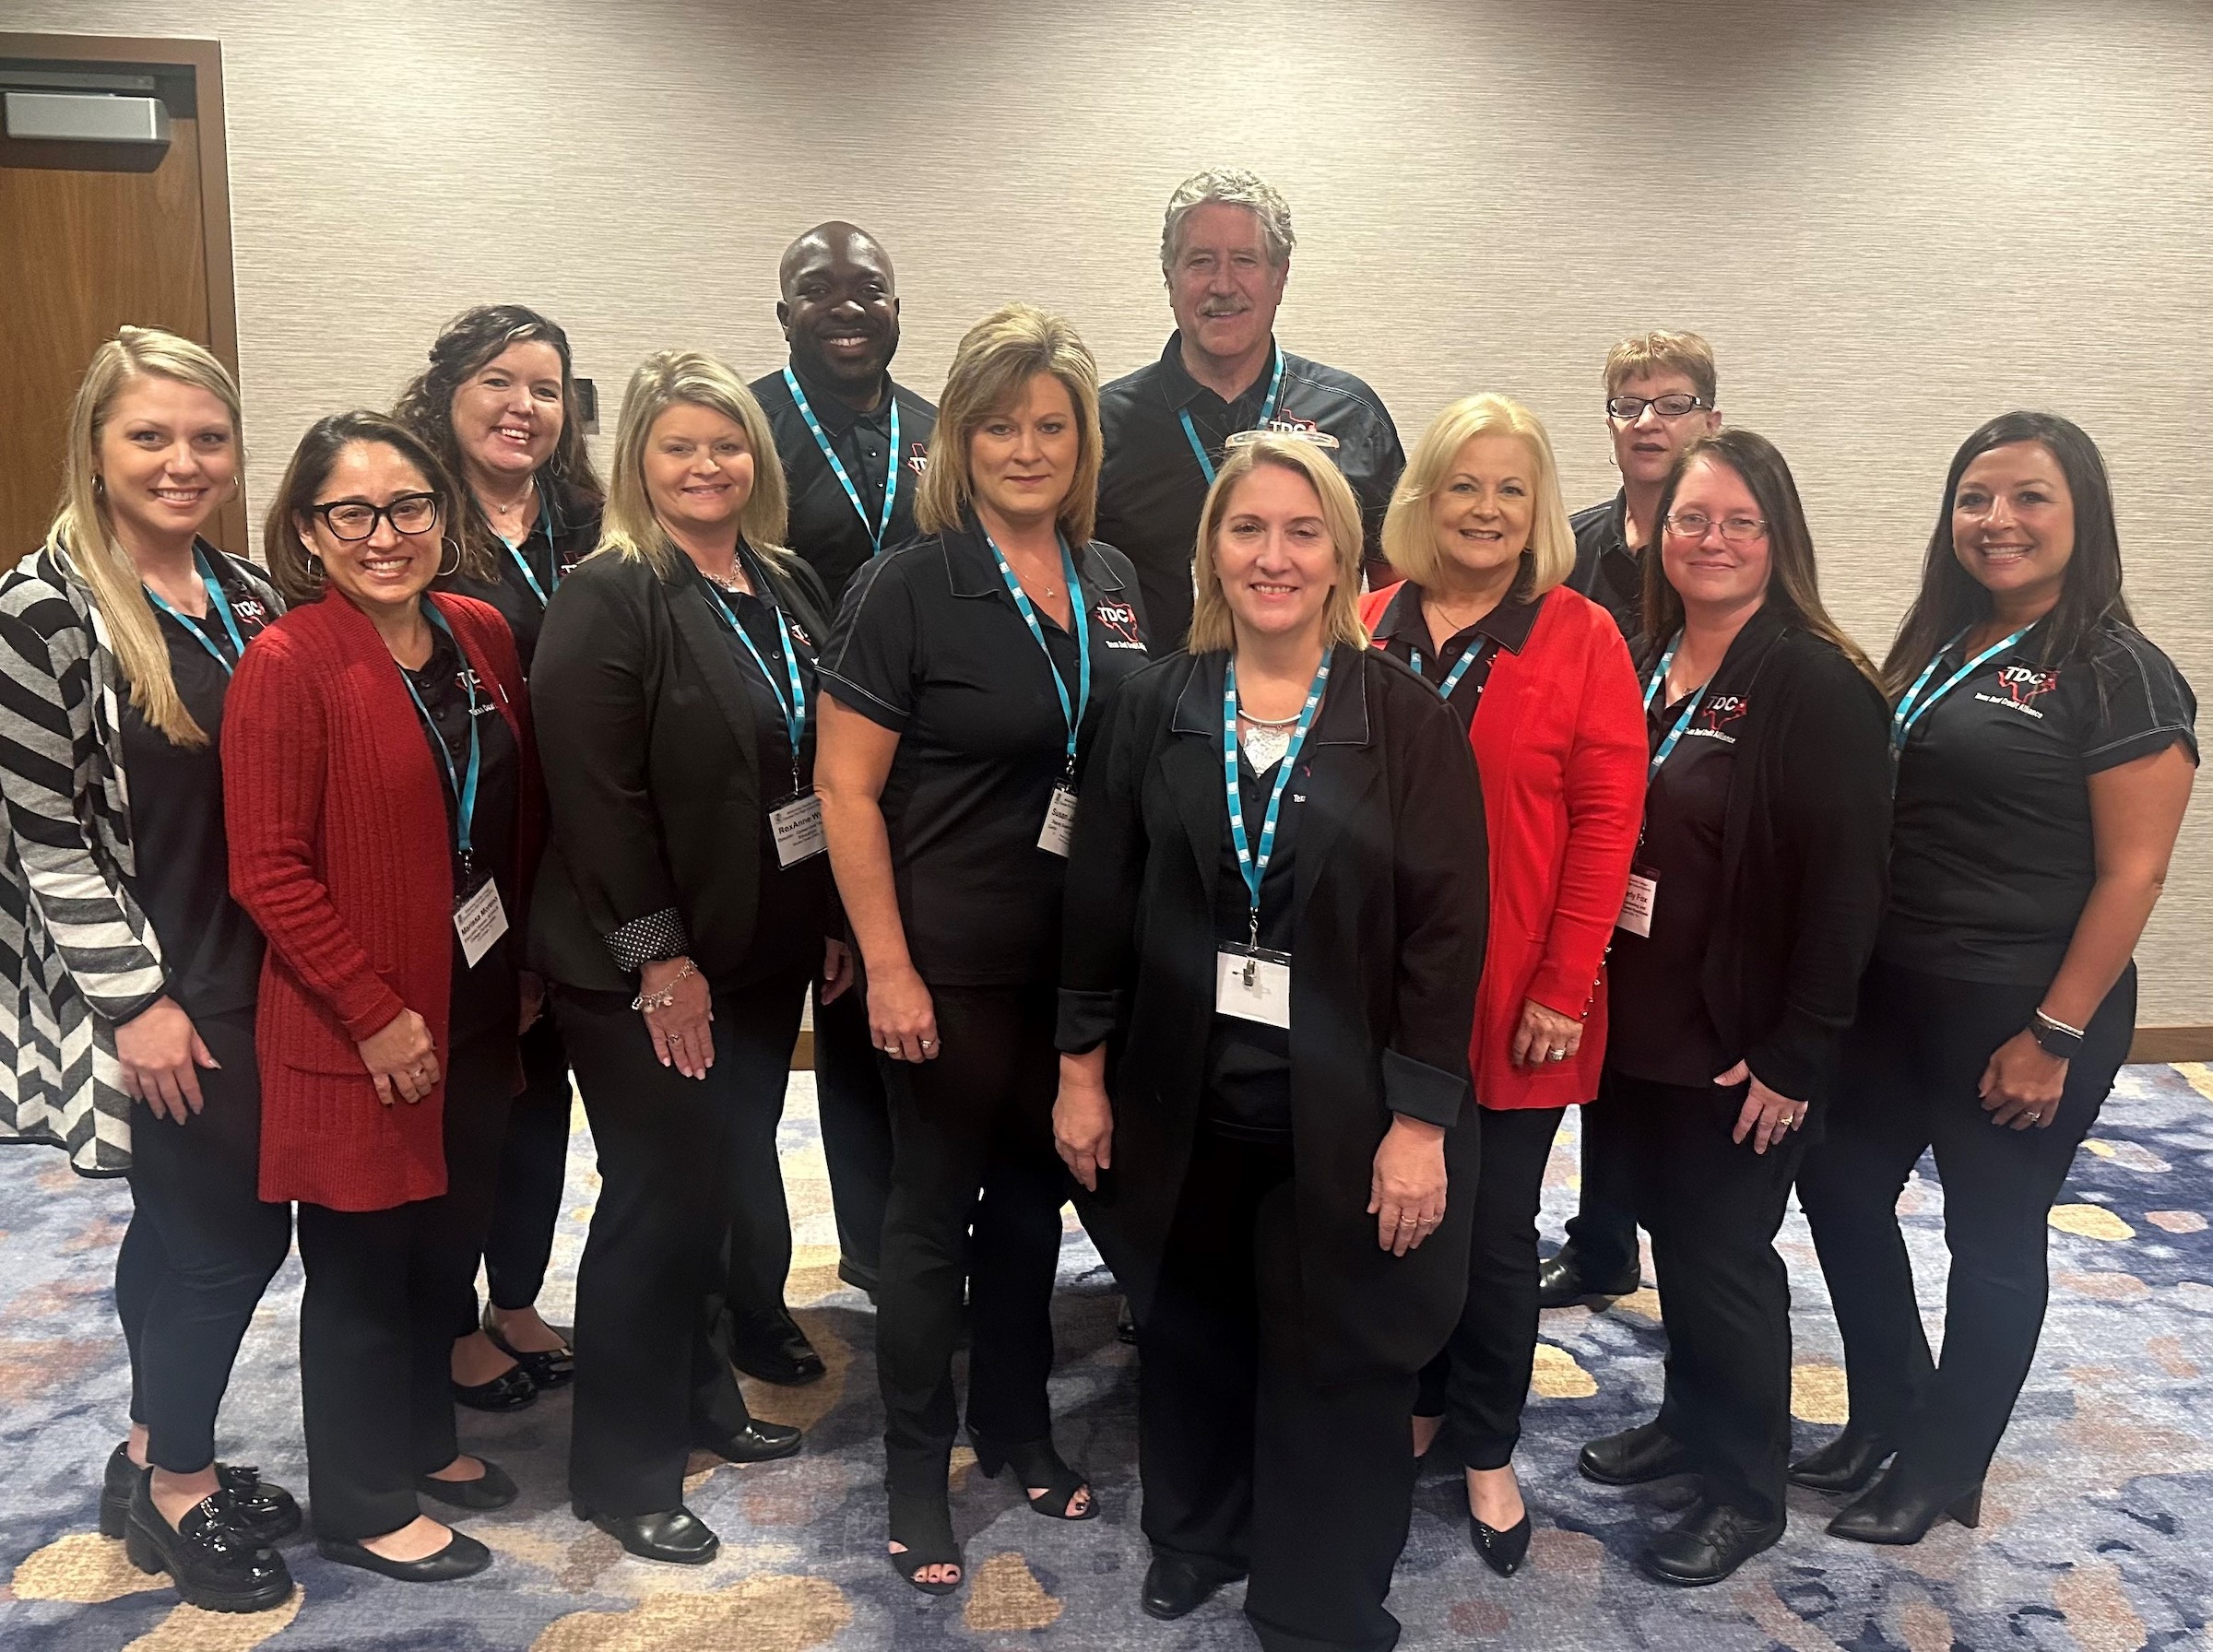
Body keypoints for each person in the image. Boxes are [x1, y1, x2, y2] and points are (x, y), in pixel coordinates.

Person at [1053, 433, 1485, 1649]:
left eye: (1304, 532)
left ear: (1345, 559)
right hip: (1182, 1093)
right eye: (1248, 530)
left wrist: (1418, 1121)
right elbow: (1098, 899)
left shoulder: (1402, 722)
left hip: (1343, 1114)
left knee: (1335, 1356)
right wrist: (1080, 1070)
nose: (1274, 556)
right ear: (1212, 553)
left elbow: (1448, 937)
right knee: (1188, 1326)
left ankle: (1319, 1597)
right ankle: (1196, 1536)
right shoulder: (1150, 707)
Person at [1794, 412, 2196, 1544]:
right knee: (1835, 1185)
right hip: (1897, 993)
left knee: (1993, 1233)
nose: (1997, 521)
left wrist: (2054, 1033)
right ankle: (1891, 1413)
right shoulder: (1941, 639)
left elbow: (2135, 872)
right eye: (1977, 498)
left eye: (2029, 498)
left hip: (2023, 1007)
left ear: (2084, 518)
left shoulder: (2122, 672)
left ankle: (1946, 1465)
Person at [816, 302, 1151, 1595]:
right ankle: (917, 1472)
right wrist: (886, 966)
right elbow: (846, 791)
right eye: (1001, 425)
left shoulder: (1114, 583)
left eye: (1051, 425)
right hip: (945, 962)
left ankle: (1018, 1425)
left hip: (1075, 963)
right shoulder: (909, 583)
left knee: (1031, 1211)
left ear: (1082, 441)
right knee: (929, 1224)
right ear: (961, 438)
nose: (1028, 447)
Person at [0, 328, 295, 1612]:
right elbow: (44, 833)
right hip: (165, 982)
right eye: (151, 437)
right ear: (97, 448)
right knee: (231, 1241)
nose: (184, 463)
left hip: (260, 960)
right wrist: (138, 1005)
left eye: (208, 438)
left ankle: (139, 1454)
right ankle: (182, 1489)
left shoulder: (248, 592)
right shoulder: (42, 607)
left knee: (183, 1229)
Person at [224, 411, 540, 1583]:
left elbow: (518, 809)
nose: (385, 533)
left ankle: (421, 1439)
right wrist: (371, 1009)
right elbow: (266, 867)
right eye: (350, 512)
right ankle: (361, 1499)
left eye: (408, 505)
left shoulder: (478, 633)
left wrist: (525, 971)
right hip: (353, 1024)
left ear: (441, 513)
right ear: (309, 531)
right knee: (361, 1265)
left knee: (441, 1245)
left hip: (474, 1001)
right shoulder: (289, 662)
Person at [1575, 430, 1890, 1587]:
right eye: (1693, 519)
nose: (1712, 541)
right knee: (1672, 1235)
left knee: (1724, 1255)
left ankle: (1745, 1487)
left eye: (1740, 522)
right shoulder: (1651, 655)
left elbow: (1850, 889)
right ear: (1657, 531)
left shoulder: (1812, 679)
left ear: (1779, 540)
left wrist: (1796, 1056)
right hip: (1645, 1019)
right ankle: (1687, 1421)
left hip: (1741, 1039)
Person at [528, 351, 824, 1564]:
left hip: (761, 950)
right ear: (637, 463)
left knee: (714, 1185)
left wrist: (829, 931)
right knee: (654, 1203)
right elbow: (598, 797)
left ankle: (705, 1401)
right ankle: (622, 1466)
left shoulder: (782, 580)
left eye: (728, 445)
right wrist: (661, 959)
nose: (707, 467)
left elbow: (810, 767)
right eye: (679, 447)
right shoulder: (612, 592)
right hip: (642, 966)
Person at [1359, 395, 1644, 1577]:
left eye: (1512, 490)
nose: (1486, 510)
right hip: (1375, 988)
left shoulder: (1581, 634)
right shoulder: (1365, 618)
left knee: (1488, 1239)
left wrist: (1565, 986)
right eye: (1464, 486)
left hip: (1519, 995)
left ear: (1539, 511)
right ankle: (1415, 1398)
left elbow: (1605, 822)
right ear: (1422, 499)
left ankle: (1484, 1440)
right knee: (1390, 1216)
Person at [395, 302, 604, 1412]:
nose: (524, 407)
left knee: (546, 1090)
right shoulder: (410, 522)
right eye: (498, 382)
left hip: (561, 854)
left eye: (546, 388)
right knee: (471, 1092)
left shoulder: (585, 520)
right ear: (448, 393)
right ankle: (445, 1322)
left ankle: (515, 1297)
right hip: (454, 854)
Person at [748, 220, 939, 1363]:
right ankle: (785, 1270)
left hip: (911, 766)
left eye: (870, 285)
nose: (848, 303)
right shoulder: (751, 427)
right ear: (784, 314)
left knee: (892, 988)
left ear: (898, 306)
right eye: (820, 289)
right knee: (802, 1002)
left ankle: (893, 1239)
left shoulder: (933, 431)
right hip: (777, 756)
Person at [1541, 329, 1724, 1313]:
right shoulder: (1569, 552)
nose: (1649, 421)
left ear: (1711, 420)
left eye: (1672, 402)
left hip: (1693, 840)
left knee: (1675, 1055)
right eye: (1629, 404)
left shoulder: (1732, 543)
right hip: (1592, 833)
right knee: (1599, 1042)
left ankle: (1694, 1248)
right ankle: (1603, 1239)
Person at [1096, 168, 1404, 655]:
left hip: (1316, 718)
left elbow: (1397, 600)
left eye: (1245, 260)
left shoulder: (1353, 417)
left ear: (1280, 277)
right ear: (1169, 278)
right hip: (1152, 719)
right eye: (1201, 262)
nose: (1223, 284)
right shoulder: (1100, 428)